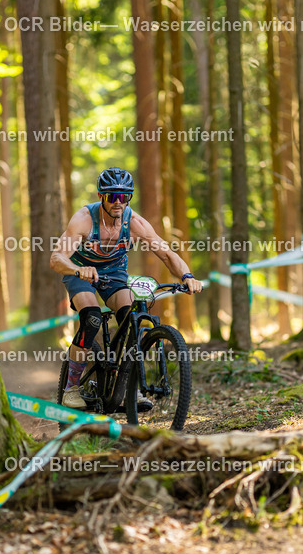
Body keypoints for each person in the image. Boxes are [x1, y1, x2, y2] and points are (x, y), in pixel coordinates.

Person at [50, 167, 202, 408]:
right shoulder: (84, 219)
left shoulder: (135, 222)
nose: (119, 202)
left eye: (124, 196)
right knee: (91, 319)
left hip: (114, 274)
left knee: (131, 319)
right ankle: (71, 388)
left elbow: (165, 253)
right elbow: (57, 258)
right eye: (113, 196)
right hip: (80, 271)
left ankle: (130, 387)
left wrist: (187, 275)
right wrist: (78, 270)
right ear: (101, 196)